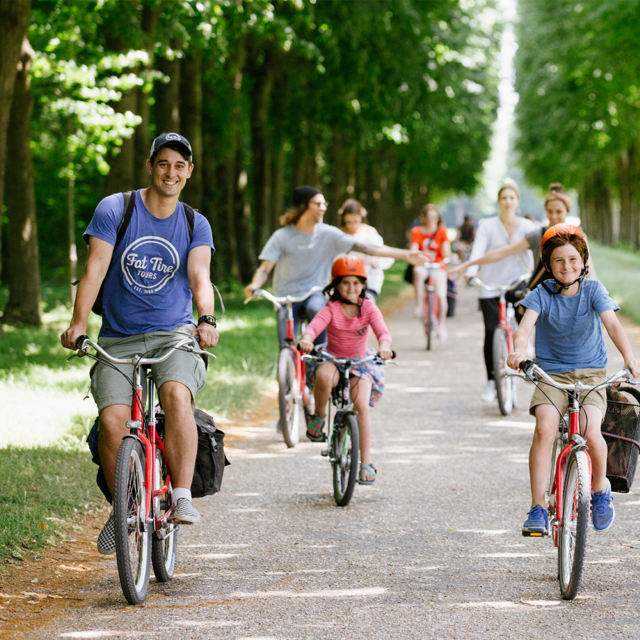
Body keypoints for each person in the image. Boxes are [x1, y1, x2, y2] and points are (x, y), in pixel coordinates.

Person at [60, 132, 218, 554]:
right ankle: (125, 508)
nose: (172, 172)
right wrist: (78, 324)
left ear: (188, 172)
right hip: (118, 335)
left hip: (173, 333)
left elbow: (200, 276)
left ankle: (181, 495)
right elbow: (95, 267)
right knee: (113, 422)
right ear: (151, 166)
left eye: (180, 166)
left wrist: (205, 320)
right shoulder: (117, 208)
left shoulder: (193, 222)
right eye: (164, 163)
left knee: (176, 396)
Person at [506, 224, 640, 536]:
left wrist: (629, 357)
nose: (566, 266)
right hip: (551, 374)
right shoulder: (540, 294)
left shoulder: (594, 291)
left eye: (572, 260)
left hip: (590, 374)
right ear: (547, 265)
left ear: (583, 262)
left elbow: (613, 325)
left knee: (591, 431)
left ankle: (599, 488)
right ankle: (538, 505)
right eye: (558, 261)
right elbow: (523, 329)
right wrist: (518, 351)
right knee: (544, 429)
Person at [245, 186, 424, 350]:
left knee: (317, 311)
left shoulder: (329, 234)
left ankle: (320, 363)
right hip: (286, 296)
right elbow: (265, 268)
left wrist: (405, 255)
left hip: (315, 292)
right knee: (285, 345)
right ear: (303, 207)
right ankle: (288, 372)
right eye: (319, 204)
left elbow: (368, 248)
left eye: (325, 203)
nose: (324, 207)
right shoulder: (281, 236)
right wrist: (254, 284)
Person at [298, 257, 393, 485]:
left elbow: (383, 333)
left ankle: (366, 462)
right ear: (336, 285)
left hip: (360, 362)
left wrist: (385, 347)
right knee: (324, 375)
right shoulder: (331, 308)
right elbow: (313, 328)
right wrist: (307, 339)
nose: (351, 288)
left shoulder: (369, 307)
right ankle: (319, 417)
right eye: (345, 283)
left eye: (356, 283)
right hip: (333, 359)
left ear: (363, 285)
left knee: (361, 406)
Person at [450, 183, 597, 297]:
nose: (553, 216)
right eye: (550, 211)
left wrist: (598, 298)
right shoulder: (537, 235)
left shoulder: (578, 236)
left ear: (567, 212)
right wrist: (468, 265)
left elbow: (589, 269)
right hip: (544, 297)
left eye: (558, 212)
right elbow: (501, 253)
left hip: (573, 295)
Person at [462, 178, 536, 403]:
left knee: (525, 318)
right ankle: (492, 382)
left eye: (512, 197)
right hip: (491, 285)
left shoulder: (526, 226)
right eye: (504, 197)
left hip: (518, 281)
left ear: (517, 201)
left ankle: (526, 348)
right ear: (498, 201)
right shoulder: (487, 225)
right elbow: (478, 251)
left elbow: (534, 254)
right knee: (490, 331)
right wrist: (471, 271)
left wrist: (535, 276)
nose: (507, 201)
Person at [410, 203, 452, 340]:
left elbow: (446, 252)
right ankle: (419, 305)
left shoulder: (442, 232)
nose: (431, 220)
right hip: (423, 265)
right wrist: (414, 255)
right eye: (429, 217)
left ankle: (441, 325)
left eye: (434, 217)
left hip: (438, 266)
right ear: (423, 218)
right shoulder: (417, 231)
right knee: (418, 272)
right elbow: (414, 249)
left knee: (441, 295)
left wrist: (450, 258)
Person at [339, 199, 393, 301]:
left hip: (368, 277)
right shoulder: (340, 233)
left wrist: (375, 258)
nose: (352, 225)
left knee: (367, 303)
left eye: (356, 221)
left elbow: (379, 250)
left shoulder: (370, 231)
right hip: (345, 280)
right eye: (348, 222)